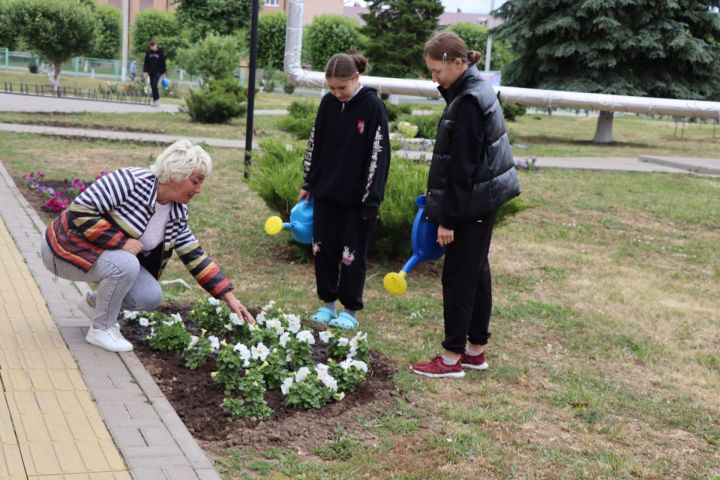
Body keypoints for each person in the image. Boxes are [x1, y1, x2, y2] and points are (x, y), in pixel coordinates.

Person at [41, 140, 255, 353]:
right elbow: (80, 209)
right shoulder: (129, 181)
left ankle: (94, 305)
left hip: (102, 259)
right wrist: (121, 242)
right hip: (63, 250)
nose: (198, 190)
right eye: (196, 181)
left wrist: (230, 298)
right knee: (126, 264)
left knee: (149, 295)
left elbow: (195, 256)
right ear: (176, 174)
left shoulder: (177, 212)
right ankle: (100, 329)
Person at [411, 32, 520, 378]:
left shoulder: (469, 101)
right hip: (482, 198)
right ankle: (475, 350)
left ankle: (450, 357)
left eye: (437, 71)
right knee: (476, 272)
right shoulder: (473, 89)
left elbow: (462, 168)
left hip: (472, 201)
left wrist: (448, 219)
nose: (434, 78)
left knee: (459, 275)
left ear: (458, 63)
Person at [299, 52, 391, 329]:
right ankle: (327, 304)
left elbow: (379, 154)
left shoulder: (373, 106)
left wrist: (371, 199)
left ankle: (350, 310)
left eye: (342, 87)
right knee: (323, 252)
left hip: (357, 201)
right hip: (326, 194)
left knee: (352, 255)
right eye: (332, 87)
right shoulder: (327, 104)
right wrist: (308, 182)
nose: (337, 93)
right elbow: (315, 144)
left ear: (356, 78)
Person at [142, 39, 166, 107]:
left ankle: (157, 99)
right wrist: (145, 71)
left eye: (153, 46)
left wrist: (163, 72)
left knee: (154, 84)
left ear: (156, 45)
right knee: (152, 86)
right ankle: (155, 100)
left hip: (158, 71)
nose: (152, 48)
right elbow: (146, 62)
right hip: (151, 71)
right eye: (151, 47)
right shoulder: (149, 52)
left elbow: (163, 63)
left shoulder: (160, 52)